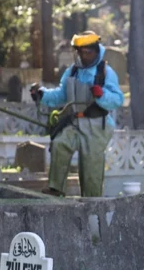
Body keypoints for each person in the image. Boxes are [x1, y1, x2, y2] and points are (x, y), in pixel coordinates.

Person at [30, 31, 124, 197]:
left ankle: (92, 202)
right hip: (74, 122)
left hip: (96, 125)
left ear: (96, 51)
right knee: (60, 143)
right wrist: (42, 94)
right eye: (80, 52)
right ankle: (55, 188)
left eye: (88, 52)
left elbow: (117, 99)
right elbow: (61, 95)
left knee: (90, 165)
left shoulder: (105, 72)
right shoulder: (72, 71)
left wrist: (101, 94)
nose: (84, 56)